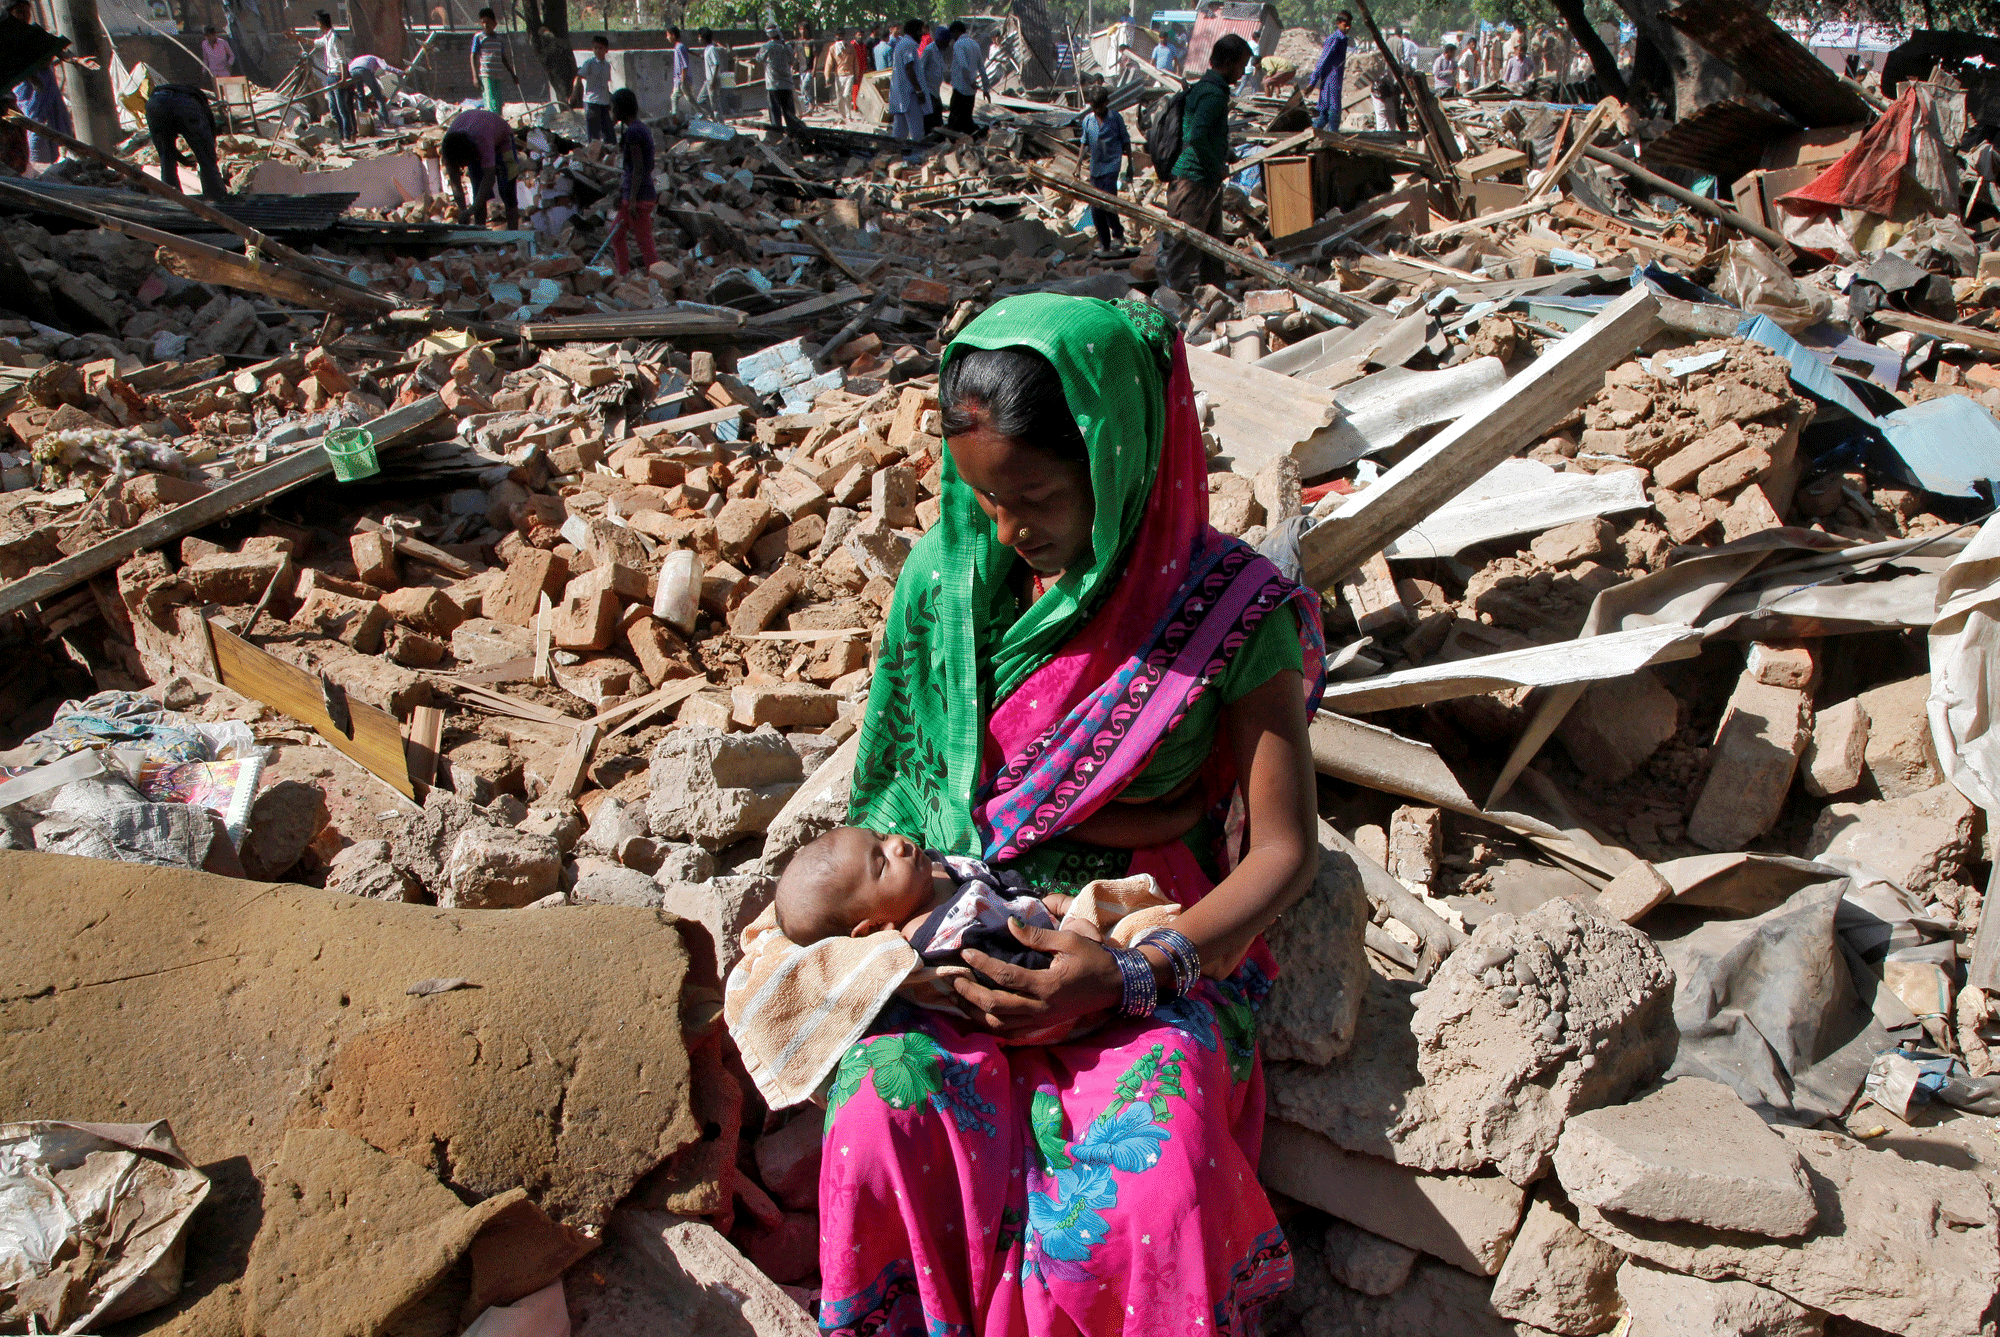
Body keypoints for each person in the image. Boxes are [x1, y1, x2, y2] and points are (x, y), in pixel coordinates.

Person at [770, 291, 1323, 1337]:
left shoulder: (1225, 610)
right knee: (885, 1109)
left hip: (1147, 925)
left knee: (1144, 1186)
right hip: (951, 920)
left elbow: (1283, 851)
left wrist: (1123, 975)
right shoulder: (950, 577)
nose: (1007, 530)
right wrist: (903, 958)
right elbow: (898, 794)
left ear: (1120, 464)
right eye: (982, 499)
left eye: (1035, 497)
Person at [1161, 31, 1249, 295]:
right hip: (1194, 181)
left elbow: (1206, 134)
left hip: (1203, 181)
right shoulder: (1212, 94)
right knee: (1184, 251)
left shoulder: (1207, 89)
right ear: (1229, 62)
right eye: (1242, 66)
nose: (1243, 73)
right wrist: (1216, 166)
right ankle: (1169, 308)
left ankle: (1215, 301)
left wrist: (1226, 152)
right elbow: (1197, 136)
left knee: (1212, 249)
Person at [441, 106, 519, 230]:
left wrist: (471, 209)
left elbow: (489, 178)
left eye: (463, 164)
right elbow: (455, 184)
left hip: (502, 140)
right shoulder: (449, 149)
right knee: (478, 191)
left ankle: (513, 236)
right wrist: (463, 211)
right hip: (471, 138)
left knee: (507, 191)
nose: (462, 168)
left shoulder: (482, 141)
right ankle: (480, 234)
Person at [144, 82, 226, 197]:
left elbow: (166, 148)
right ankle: (216, 197)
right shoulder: (197, 100)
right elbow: (209, 128)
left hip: (156, 105)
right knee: (206, 160)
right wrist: (209, 152)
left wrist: (181, 159)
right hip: (186, 105)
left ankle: (172, 199)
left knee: (166, 158)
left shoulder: (160, 96)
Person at [608, 86, 657, 275]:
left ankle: (660, 280)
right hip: (634, 196)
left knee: (645, 244)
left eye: (613, 107)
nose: (611, 112)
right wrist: (623, 193)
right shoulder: (637, 129)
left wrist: (633, 200)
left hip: (639, 198)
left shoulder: (634, 133)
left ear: (621, 109)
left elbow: (638, 168)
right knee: (617, 236)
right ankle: (624, 276)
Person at [1079, 87, 1130, 257]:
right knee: (1095, 207)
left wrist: (1130, 164)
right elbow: (1084, 143)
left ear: (1106, 104)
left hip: (1111, 166)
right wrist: (1078, 165)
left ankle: (1117, 234)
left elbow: (1126, 141)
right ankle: (1104, 243)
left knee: (1107, 202)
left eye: (1099, 107)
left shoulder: (1115, 119)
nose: (1096, 111)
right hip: (1096, 168)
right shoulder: (1088, 120)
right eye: (1094, 108)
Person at [310, 11, 354, 141]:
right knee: (333, 109)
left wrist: (343, 78)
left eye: (317, 22)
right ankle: (339, 135)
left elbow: (342, 60)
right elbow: (315, 43)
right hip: (330, 76)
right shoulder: (326, 38)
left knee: (342, 108)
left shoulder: (335, 37)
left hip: (337, 76)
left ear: (321, 23)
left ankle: (348, 134)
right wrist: (296, 38)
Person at [1305, 11, 1350, 131]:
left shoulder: (1343, 39)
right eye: (1345, 25)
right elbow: (1322, 61)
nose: (1348, 28)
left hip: (1335, 80)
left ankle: (1312, 132)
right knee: (1333, 113)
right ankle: (1332, 138)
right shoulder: (1334, 39)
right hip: (1330, 81)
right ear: (1338, 23)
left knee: (1324, 115)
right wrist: (1312, 83)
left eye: (1349, 25)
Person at [759, 24, 806, 134]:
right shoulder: (786, 47)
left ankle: (777, 135)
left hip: (773, 85)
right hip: (786, 85)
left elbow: (759, 58)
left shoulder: (767, 47)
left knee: (775, 113)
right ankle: (794, 135)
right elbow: (792, 60)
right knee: (789, 114)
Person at [890, 18, 928, 142]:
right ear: (914, 31)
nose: (922, 34)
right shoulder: (908, 45)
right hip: (910, 94)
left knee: (899, 132)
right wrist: (919, 90)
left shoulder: (903, 44)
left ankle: (897, 156)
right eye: (920, 31)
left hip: (901, 93)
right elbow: (909, 68)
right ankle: (917, 157)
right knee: (917, 131)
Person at [946, 20, 988, 133]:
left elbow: (964, 66)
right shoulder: (975, 44)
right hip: (970, 91)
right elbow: (982, 68)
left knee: (955, 123)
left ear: (956, 31)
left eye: (952, 34)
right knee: (966, 120)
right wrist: (986, 88)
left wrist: (970, 82)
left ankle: (953, 146)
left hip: (961, 89)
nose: (951, 37)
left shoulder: (958, 45)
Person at [470, 8, 514, 114]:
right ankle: (491, 124)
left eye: (487, 22)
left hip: (498, 74)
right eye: (482, 22)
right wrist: (475, 76)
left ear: (494, 23)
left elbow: (503, 57)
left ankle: (497, 122)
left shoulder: (499, 39)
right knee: (490, 101)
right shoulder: (479, 37)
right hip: (486, 74)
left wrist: (512, 74)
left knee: (498, 101)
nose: (485, 25)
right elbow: (473, 56)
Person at [573, 33, 612, 147]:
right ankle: (593, 157)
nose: (598, 51)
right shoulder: (589, 64)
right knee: (594, 136)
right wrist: (574, 92)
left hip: (604, 102)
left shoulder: (607, 66)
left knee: (608, 134)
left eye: (600, 48)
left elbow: (605, 84)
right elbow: (579, 76)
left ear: (606, 50)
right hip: (592, 102)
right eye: (595, 48)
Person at [346, 52, 401, 117]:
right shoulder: (377, 59)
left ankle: (363, 119)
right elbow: (385, 67)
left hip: (352, 71)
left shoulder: (364, 58)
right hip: (364, 70)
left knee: (360, 95)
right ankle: (385, 121)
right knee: (378, 96)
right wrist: (401, 72)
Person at [918, 23, 949, 135]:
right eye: (946, 41)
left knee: (937, 120)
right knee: (930, 120)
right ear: (941, 40)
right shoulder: (929, 50)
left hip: (936, 91)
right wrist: (921, 91)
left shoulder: (941, 52)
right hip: (928, 90)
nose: (948, 44)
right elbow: (920, 70)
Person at [831, 25, 858, 122]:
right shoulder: (833, 48)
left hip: (849, 74)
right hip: (839, 75)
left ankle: (849, 115)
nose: (840, 38)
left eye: (841, 35)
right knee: (839, 97)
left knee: (847, 95)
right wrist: (826, 77)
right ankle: (843, 115)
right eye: (838, 36)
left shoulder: (850, 47)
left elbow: (855, 62)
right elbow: (829, 63)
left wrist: (856, 75)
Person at [701, 30, 730, 116]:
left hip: (713, 80)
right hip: (708, 80)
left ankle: (720, 124)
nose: (698, 39)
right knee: (700, 100)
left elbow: (717, 64)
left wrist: (713, 81)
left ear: (704, 38)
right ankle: (713, 117)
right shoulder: (707, 49)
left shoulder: (712, 49)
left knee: (715, 107)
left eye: (699, 37)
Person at [664, 26, 690, 117]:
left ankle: (675, 118)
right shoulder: (679, 47)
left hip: (681, 79)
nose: (667, 37)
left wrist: (682, 81)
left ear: (673, 35)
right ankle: (677, 118)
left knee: (674, 98)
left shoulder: (679, 47)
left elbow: (684, 66)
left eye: (668, 35)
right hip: (680, 80)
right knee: (689, 99)